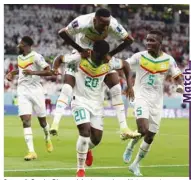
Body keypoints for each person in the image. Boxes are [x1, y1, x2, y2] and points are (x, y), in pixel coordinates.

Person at [52, 40, 139, 177]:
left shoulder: (108, 61)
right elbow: (59, 58)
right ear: (92, 52)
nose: (102, 60)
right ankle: (80, 169)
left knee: (96, 139)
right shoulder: (79, 58)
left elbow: (126, 65)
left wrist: (129, 85)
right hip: (79, 101)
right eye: (99, 57)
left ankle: (86, 150)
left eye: (104, 57)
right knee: (85, 132)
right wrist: (55, 68)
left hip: (97, 104)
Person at [50, 8, 134, 137]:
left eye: (107, 24)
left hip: (100, 56)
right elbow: (62, 33)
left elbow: (129, 40)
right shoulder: (82, 22)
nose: (105, 27)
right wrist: (80, 49)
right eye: (102, 24)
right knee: (67, 88)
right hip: (81, 56)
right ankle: (55, 124)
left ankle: (124, 128)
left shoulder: (113, 24)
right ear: (95, 20)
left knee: (116, 87)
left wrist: (111, 54)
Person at [122, 30, 184, 176]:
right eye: (147, 40)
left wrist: (180, 85)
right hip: (141, 97)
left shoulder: (168, 60)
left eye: (152, 41)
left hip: (157, 101)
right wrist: (129, 85)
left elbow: (177, 75)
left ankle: (135, 165)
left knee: (150, 136)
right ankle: (131, 146)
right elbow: (125, 64)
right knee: (143, 129)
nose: (148, 43)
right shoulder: (139, 56)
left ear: (160, 43)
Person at [6, 36, 53, 161]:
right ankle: (31, 151)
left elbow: (49, 71)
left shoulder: (36, 56)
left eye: (20, 45)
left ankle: (47, 136)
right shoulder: (20, 57)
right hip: (22, 91)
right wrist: (12, 73)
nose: (18, 47)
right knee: (25, 121)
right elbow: (21, 70)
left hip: (36, 91)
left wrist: (33, 73)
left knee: (42, 122)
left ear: (26, 46)